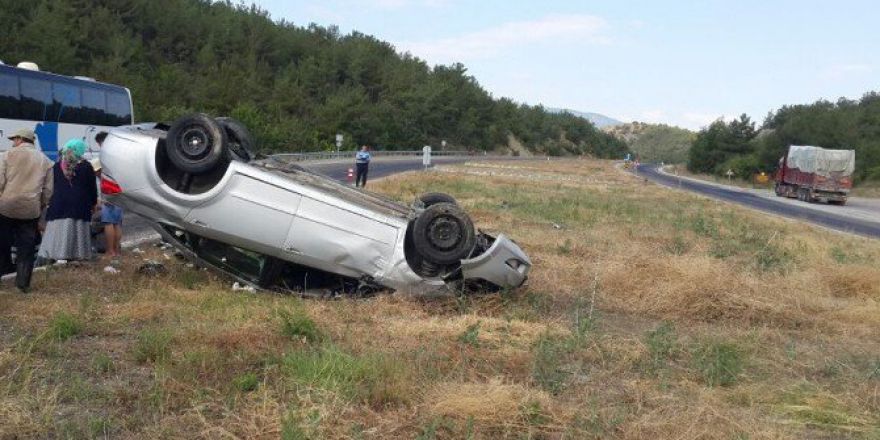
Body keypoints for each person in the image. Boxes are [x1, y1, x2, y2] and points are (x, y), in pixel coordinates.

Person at [0, 128, 53, 292]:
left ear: (20, 139)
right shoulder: (45, 160)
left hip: (6, 206)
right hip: (30, 209)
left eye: (14, 139)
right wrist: (41, 204)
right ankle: (22, 285)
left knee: (2, 243)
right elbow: (48, 190)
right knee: (26, 248)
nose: (12, 143)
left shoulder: (6, 156)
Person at [38, 139, 98, 263]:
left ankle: (56, 256)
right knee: (77, 231)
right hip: (80, 205)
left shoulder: (56, 166)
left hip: (59, 205)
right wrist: (93, 203)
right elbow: (92, 188)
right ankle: (77, 255)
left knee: (59, 231)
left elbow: (51, 186)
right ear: (80, 151)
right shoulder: (86, 166)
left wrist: (47, 201)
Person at [94, 133, 123, 264]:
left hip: (109, 191)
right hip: (120, 191)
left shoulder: (105, 155)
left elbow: (101, 174)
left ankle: (110, 251)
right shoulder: (119, 154)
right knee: (117, 222)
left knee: (108, 222)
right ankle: (117, 250)